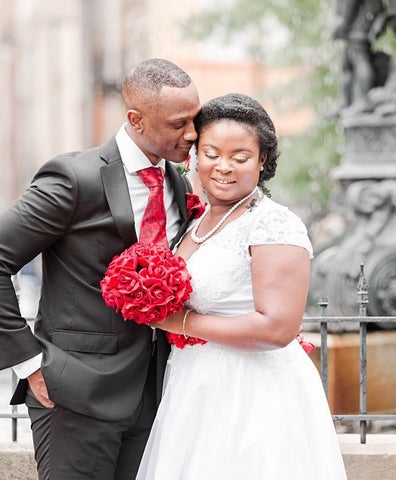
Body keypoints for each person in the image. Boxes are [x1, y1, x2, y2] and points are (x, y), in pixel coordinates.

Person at [0, 58, 201, 479]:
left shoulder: (177, 183)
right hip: (74, 397)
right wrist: (30, 364)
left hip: (155, 396)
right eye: (179, 124)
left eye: (195, 119)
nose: (193, 134)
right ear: (136, 120)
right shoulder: (74, 178)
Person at [136, 93, 347, 479]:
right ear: (195, 155)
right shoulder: (193, 223)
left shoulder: (273, 224)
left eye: (240, 156)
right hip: (192, 387)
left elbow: (277, 328)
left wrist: (174, 322)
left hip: (251, 393)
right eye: (212, 153)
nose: (223, 167)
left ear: (262, 160)